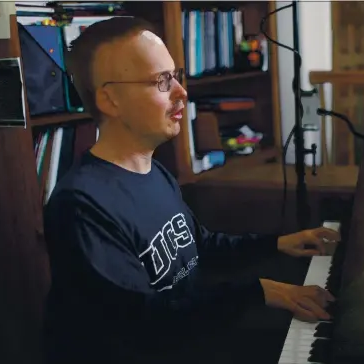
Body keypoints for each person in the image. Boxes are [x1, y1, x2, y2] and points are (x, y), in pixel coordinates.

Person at [42, 17, 340, 364]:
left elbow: (200, 246)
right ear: (110, 100)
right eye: (162, 81)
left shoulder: (156, 173)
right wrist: (257, 291)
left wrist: (277, 244)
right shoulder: (80, 207)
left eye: (176, 76)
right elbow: (143, 322)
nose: (182, 92)